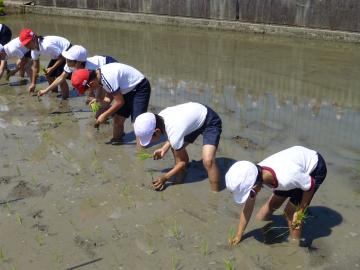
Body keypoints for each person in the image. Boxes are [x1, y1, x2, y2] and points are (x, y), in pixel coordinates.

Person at [225, 146, 327, 246]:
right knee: (263, 214)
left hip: (314, 169)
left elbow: (310, 186)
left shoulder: (286, 177)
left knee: (291, 213)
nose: (251, 195)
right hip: (294, 168)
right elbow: (247, 208)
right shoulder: (255, 173)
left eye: (249, 192)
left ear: (255, 184)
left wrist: (300, 211)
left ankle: (296, 245)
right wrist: (239, 235)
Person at [134, 102, 222, 192]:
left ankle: (215, 192)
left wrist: (165, 177)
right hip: (193, 118)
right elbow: (174, 133)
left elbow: (184, 161)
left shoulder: (174, 132)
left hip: (209, 120)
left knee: (208, 161)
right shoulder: (159, 118)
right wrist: (164, 148)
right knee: (175, 146)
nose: (150, 142)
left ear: (157, 131)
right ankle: (180, 174)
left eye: (149, 139)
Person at [71, 62, 151, 144]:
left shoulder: (107, 78)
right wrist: (100, 104)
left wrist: (104, 115)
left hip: (140, 87)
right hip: (125, 90)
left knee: (137, 126)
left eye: (87, 90)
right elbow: (109, 97)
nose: (90, 92)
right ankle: (117, 142)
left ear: (91, 84)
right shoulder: (98, 76)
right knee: (117, 120)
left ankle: (141, 153)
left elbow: (120, 102)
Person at [37, 45, 118, 100]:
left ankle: (106, 113)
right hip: (98, 66)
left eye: (69, 59)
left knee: (103, 96)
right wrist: (45, 90)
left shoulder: (90, 69)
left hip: (108, 64)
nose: (66, 61)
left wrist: (92, 93)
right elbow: (60, 78)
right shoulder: (70, 64)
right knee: (93, 98)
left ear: (78, 63)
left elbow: (98, 84)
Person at [19, 28, 72, 98]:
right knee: (48, 74)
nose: (27, 46)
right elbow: (35, 67)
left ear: (34, 38)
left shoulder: (47, 45)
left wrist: (52, 68)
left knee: (60, 76)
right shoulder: (34, 51)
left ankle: (65, 98)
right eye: (25, 45)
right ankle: (54, 92)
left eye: (28, 43)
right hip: (58, 55)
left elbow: (62, 57)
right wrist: (33, 84)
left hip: (67, 50)